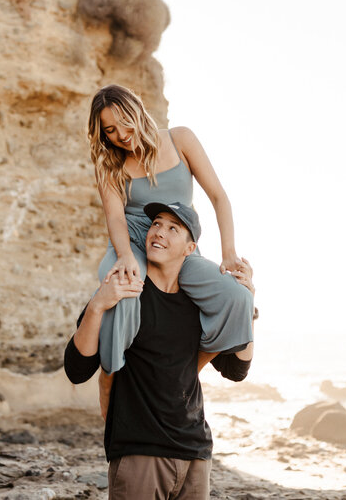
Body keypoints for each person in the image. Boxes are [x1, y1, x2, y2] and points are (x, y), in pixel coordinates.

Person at [64, 202, 256, 499]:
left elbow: (237, 370)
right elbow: (77, 368)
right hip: (140, 451)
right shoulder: (126, 292)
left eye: (172, 228)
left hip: (195, 453)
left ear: (189, 248)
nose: (159, 232)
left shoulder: (197, 305)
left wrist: (246, 302)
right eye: (156, 223)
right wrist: (98, 305)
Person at [87, 84, 254, 374]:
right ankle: (112, 376)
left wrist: (229, 253)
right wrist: (125, 256)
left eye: (124, 123)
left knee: (237, 295)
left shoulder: (181, 139)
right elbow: (115, 218)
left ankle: (194, 366)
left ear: (137, 111)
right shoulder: (110, 165)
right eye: (110, 130)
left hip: (178, 244)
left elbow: (218, 196)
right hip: (133, 239)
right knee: (125, 289)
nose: (121, 135)